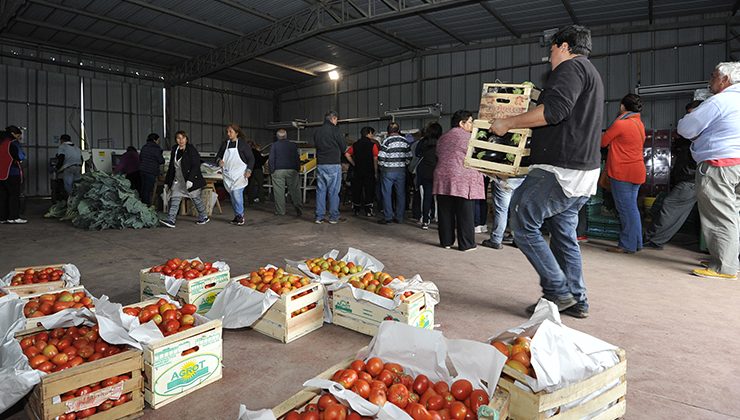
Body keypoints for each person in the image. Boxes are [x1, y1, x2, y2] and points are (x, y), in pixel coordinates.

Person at [490, 25, 604, 318]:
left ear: (563, 46)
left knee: (522, 220)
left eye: (552, 48)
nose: (550, 55)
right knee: (564, 234)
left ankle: (557, 290)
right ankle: (577, 299)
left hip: (559, 169)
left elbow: (554, 111)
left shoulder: (570, 69)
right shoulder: (589, 72)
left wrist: (508, 123)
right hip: (582, 172)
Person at [677, 62, 740, 279]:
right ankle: (729, 259)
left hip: (720, 164)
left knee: (719, 214)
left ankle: (724, 267)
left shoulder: (721, 101)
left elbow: (686, 128)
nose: (710, 80)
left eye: (713, 76)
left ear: (725, 79)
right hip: (737, 163)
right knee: (733, 213)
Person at [643, 100, 703, 249]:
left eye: (691, 114)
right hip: (692, 178)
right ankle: (656, 239)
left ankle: (654, 239)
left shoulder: (698, 132)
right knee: (677, 210)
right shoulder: (697, 132)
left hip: (690, 180)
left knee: (669, 206)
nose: (688, 118)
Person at [601, 94, 647, 254]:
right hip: (638, 171)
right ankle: (637, 242)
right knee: (632, 208)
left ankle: (627, 244)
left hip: (622, 172)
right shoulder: (639, 124)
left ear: (622, 106)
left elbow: (603, 141)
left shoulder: (621, 124)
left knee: (626, 210)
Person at [433, 110, 485, 251]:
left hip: (442, 177)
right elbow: (479, 156)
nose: (472, 125)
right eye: (470, 122)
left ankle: (446, 242)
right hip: (462, 178)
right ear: (462, 123)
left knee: (445, 211)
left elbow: (438, 154)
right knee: (465, 212)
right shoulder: (470, 138)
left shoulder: (443, 138)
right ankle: (466, 244)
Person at [159, 131, 209, 228]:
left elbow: (195, 165)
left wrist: (190, 180)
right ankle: (171, 220)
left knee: (196, 199)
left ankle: (204, 216)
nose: (181, 140)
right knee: (175, 199)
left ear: (186, 139)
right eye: (178, 138)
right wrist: (167, 182)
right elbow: (171, 167)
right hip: (178, 180)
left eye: (183, 138)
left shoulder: (191, 150)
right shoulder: (175, 149)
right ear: (176, 140)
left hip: (191, 180)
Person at [216, 124, 255, 226]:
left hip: (240, 174)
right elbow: (218, 156)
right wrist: (219, 160)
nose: (228, 134)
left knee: (237, 195)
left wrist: (249, 170)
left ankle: (240, 216)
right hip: (228, 175)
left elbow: (251, 159)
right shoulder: (225, 144)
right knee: (233, 197)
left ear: (237, 133)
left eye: (230, 132)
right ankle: (237, 215)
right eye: (227, 132)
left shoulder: (242, 145)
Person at [313, 111, 346, 224]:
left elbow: (316, 146)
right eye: (337, 120)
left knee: (321, 191)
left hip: (321, 164)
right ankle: (333, 217)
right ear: (333, 118)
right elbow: (343, 147)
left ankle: (319, 216)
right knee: (333, 191)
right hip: (333, 164)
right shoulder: (335, 130)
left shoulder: (317, 131)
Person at [377, 122, 412, 224]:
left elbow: (381, 157)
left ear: (388, 131)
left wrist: (382, 166)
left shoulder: (386, 141)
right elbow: (409, 156)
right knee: (401, 194)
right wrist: (403, 164)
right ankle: (399, 217)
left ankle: (388, 217)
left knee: (386, 194)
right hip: (401, 171)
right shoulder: (405, 141)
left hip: (388, 171)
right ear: (398, 130)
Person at [481, 175, 525, 249]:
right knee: (516, 210)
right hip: (521, 179)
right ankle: (516, 238)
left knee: (501, 211)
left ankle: (496, 240)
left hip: (504, 179)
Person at [345, 127, 379, 217]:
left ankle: (356, 209)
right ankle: (368, 211)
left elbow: (347, 154)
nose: (373, 135)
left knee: (357, 190)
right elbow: (375, 159)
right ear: (368, 133)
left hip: (358, 171)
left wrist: (354, 163)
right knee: (369, 190)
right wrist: (375, 172)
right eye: (372, 133)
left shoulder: (355, 144)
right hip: (369, 171)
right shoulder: (373, 145)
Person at [269, 128, 303, 216]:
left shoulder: (274, 145)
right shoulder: (293, 145)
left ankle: (281, 211)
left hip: (278, 170)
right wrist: (297, 168)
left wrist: (271, 171)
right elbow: (297, 158)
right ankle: (298, 207)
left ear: (277, 137)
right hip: (292, 170)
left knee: (279, 192)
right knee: (295, 190)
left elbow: (271, 159)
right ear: (286, 136)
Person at [416, 122, 441, 229]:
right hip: (438, 172)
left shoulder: (423, 142)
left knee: (426, 197)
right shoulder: (441, 142)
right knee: (439, 198)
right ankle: (439, 219)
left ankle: (425, 221)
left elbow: (417, 154)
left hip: (425, 172)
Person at [0, 126, 26, 224]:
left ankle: (2, 217)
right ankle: (13, 217)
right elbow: (21, 156)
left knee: (2, 196)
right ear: (13, 134)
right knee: (14, 196)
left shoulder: (1, 142)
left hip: (1, 174)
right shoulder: (13, 143)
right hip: (12, 173)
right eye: (18, 135)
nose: (19, 137)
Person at [138, 133, 164, 206]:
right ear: (154, 140)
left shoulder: (144, 147)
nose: (159, 142)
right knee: (148, 189)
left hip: (142, 170)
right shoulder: (156, 149)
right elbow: (161, 160)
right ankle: (146, 206)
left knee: (143, 188)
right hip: (151, 171)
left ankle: (142, 205)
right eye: (158, 140)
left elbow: (141, 158)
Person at [247, 139, 266, 204]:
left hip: (250, 170)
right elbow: (261, 161)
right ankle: (261, 199)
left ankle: (250, 200)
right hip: (258, 170)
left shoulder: (246, 153)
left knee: (250, 185)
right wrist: (267, 156)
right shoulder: (256, 152)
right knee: (260, 185)